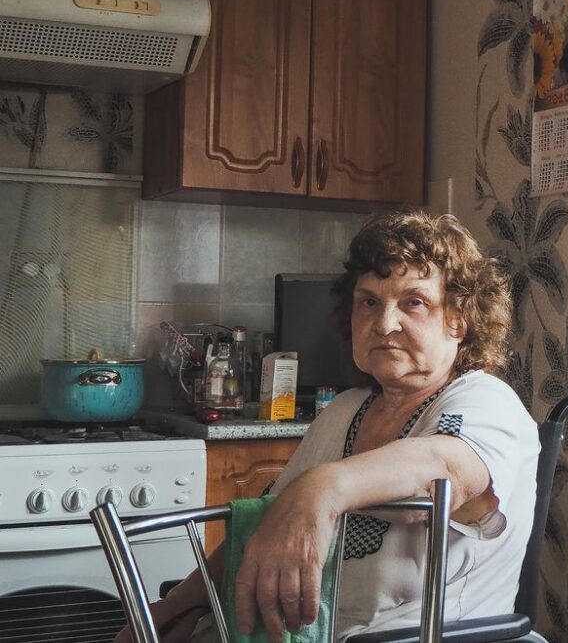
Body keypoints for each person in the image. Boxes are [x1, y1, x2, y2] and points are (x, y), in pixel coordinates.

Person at [118, 210, 539, 642]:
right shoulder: (344, 410)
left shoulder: (486, 401)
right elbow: (268, 526)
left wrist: (321, 489)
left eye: (414, 302)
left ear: (459, 319)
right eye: (369, 302)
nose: (384, 323)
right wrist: (176, 607)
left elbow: (445, 471)